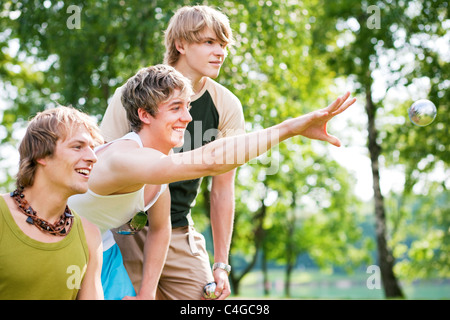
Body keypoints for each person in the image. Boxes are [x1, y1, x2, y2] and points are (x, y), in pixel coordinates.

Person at [73, 63, 355, 300]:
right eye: (175, 108)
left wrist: (146, 296)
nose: (187, 117)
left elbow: (160, 229)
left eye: (187, 106)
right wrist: (291, 128)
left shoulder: (156, 172)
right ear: (144, 115)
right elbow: (211, 159)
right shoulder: (126, 157)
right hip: (58, 240)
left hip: (100, 246)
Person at [100, 5, 245, 300]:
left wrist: (221, 264)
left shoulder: (226, 106)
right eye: (208, 42)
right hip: (121, 231)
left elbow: (222, 191)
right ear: (180, 44)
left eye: (223, 44)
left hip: (177, 230)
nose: (220, 52)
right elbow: (98, 167)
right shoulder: (133, 94)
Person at [0, 106, 104, 300]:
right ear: (40, 154)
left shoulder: (89, 235)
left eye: (92, 147)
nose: (92, 157)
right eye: (77, 146)